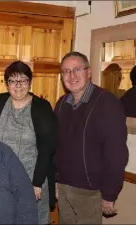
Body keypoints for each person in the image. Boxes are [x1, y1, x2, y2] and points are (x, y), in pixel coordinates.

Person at [55, 51, 129, 224]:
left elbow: (116, 154)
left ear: (89, 72)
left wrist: (110, 194)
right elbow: (56, 146)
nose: (71, 76)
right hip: (63, 187)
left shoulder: (107, 103)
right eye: (66, 71)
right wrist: (55, 181)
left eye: (77, 69)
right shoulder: (61, 104)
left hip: (89, 192)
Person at [0, 60, 57, 224]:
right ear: (6, 84)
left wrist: (37, 183)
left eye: (23, 80)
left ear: (30, 82)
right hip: (3, 181)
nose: (18, 85)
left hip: (32, 180)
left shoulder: (41, 107)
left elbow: (47, 148)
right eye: (12, 81)